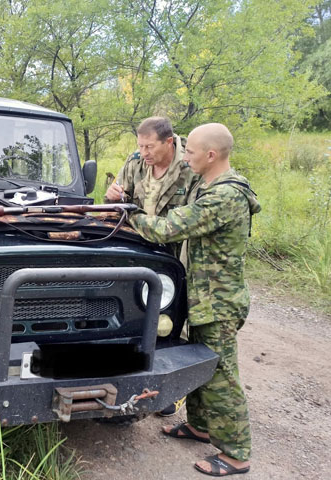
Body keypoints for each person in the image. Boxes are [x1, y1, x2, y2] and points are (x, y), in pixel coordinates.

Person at [128, 123, 260, 477]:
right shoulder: (209, 186)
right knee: (202, 366)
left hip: (218, 302)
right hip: (203, 297)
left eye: (190, 153)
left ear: (211, 155)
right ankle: (201, 427)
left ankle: (236, 454)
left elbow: (168, 227)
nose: (184, 158)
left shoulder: (225, 197)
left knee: (222, 376)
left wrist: (129, 213)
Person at [105, 116, 198, 417]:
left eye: (149, 147)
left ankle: (166, 393)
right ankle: (125, 380)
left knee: (168, 323)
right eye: (140, 146)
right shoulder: (135, 162)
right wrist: (113, 196)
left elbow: (194, 218)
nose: (144, 152)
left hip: (175, 257)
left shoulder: (190, 167)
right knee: (132, 314)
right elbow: (119, 197)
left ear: (169, 142)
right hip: (138, 251)